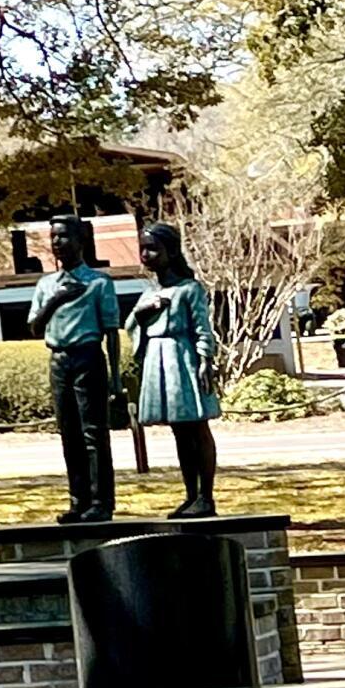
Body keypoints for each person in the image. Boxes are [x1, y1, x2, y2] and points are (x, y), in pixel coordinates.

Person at [125, 220, 222, 518]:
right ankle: (190, 495)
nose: (146, 255)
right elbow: (131, 327)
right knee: (180, 432)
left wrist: (205, 359)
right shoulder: (148, 294)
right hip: (158, 359)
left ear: (171, 251)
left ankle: (206, 496)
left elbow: (202, 328)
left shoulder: (189, 289)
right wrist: (141, 314)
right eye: (143, 249)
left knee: (197, 427)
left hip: (183, 358)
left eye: (153, 249)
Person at [27, 217, 121, 522]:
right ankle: (77, 500)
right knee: (69, 434)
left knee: (94, 434)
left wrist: (116, 378)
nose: (57, 243)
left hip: (88, 358)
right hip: (58, 360)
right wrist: (55, 300)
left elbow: (111, 332)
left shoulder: (98, 283)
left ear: (81, 241)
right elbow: (34, 327)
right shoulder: (46, 285)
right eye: (53, 237)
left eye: (64, 237)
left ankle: (101, 502)